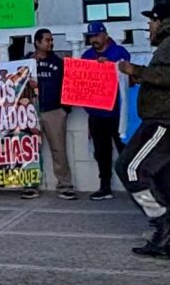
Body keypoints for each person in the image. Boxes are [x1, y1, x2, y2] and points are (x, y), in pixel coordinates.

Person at [121, 3, 170, 259]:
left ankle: (161, 219)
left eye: (150, 24)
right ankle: (166, 234)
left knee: (129, 168)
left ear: (160, 21)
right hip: (168, 121)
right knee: (166, 179)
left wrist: (136, 71)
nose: (149, 29)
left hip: (164, 122)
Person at [78, 24, 129, 200]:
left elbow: (127, 74)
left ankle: (135, 186)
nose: (94, 40)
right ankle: (104, 186)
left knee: (126, 150)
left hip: (116, 113)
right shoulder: (87, 56)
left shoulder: (119, 52)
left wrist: (109, 66)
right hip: (96, 113)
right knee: (101, 152)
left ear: (105, 35)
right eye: (91, 36)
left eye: (97, 36)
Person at [25, 28, 76, 200]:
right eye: (47, 40)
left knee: (59, 150)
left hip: (54, 111)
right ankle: (30, 185)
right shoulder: (27, 63)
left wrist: (64, 109)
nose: (50, 43)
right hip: (32, 111)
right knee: (31, 150)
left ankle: (65, 185)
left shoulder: (58, 62)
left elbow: (68, 83)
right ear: (37, 42)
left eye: (51, 40)